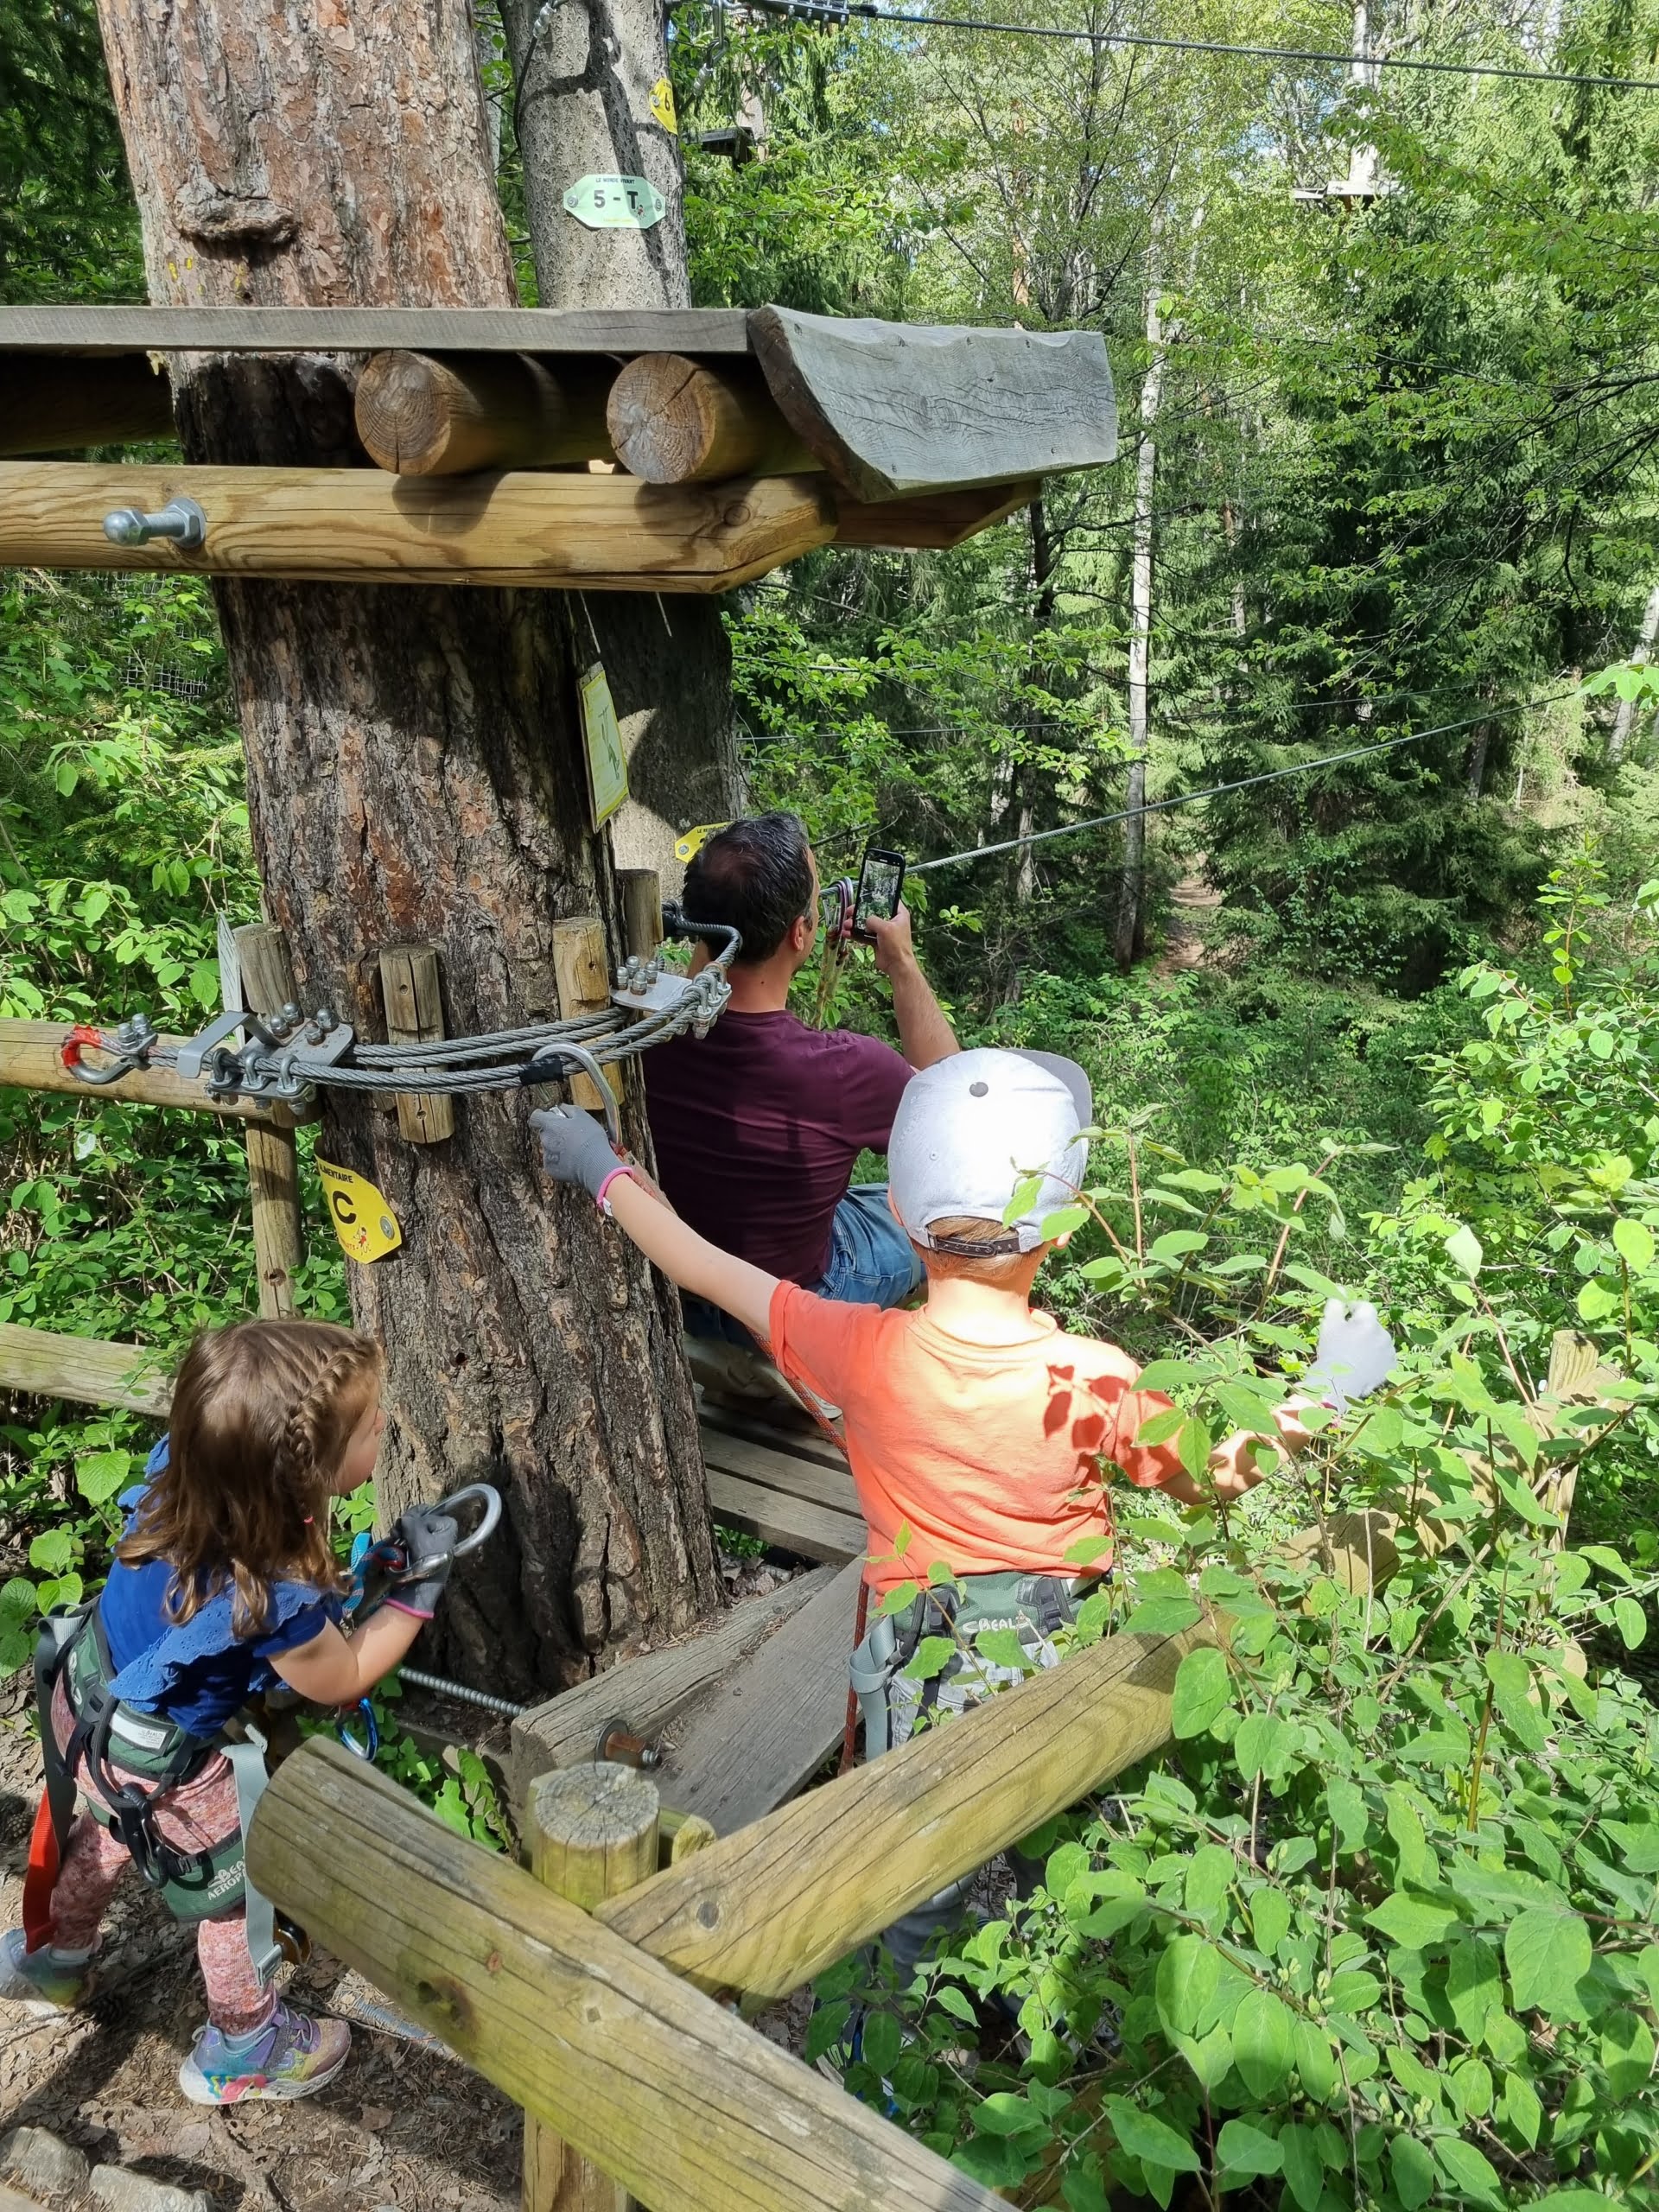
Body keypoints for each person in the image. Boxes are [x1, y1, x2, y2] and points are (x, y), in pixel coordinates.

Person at [531, 1050, 1394, 1979]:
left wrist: (601, 1169)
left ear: (898, 1216)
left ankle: (891, 2047)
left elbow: (704, 1267)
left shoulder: (853, 1346)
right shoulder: (1096, 1378)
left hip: (916, 1656)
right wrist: (1320, 1396)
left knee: (908, 1870)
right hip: (1060, 1647)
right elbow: (1212, 1478)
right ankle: (1052, 2019)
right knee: (1063, 1846)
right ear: (1062, 1228)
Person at [0, 1319, 458, 2107]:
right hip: (168, 1763)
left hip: (89, 1709)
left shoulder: (182, 1472)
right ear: (307, 1469)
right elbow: (339, 1676)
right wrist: (417, 1597)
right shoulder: (269, 1587)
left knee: (108, 1831)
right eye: (369, 1425)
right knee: (234, 1890)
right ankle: (244, 2043)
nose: (384, 1424)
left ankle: (55, 1961)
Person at [644, 812, 958, 1343]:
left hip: (681, 1289)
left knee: (866, 1195)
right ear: (799, 933)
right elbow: (958, 1104)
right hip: (791, 1306)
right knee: (940, 1213)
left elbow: (701, 989)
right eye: (814, 907)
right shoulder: (846, 1069)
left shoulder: (641, 1031)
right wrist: (901, 961)